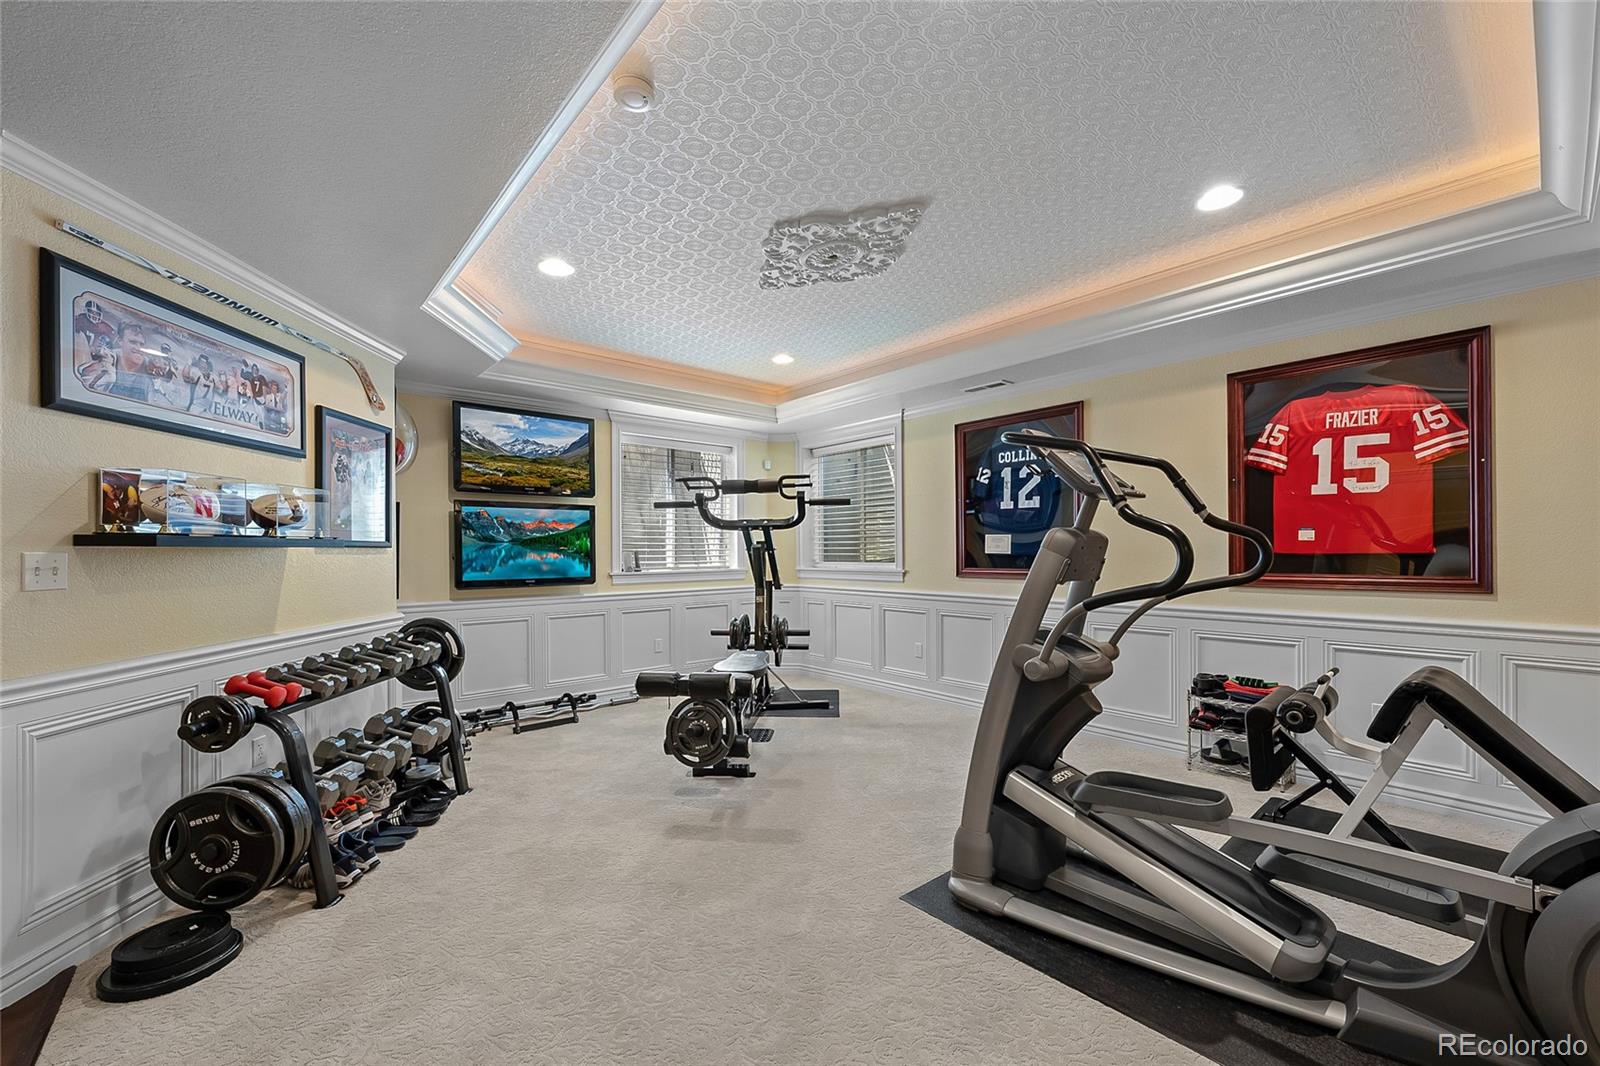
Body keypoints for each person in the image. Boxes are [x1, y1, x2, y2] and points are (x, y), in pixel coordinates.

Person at [107, 322, 151, 403]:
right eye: (133, 342)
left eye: (141, 344)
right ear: (120, 341)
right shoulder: (108, 359)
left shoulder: (151, 368)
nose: (138, 348)